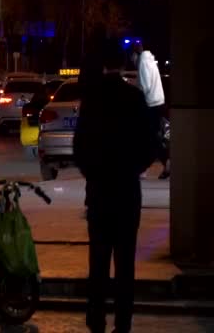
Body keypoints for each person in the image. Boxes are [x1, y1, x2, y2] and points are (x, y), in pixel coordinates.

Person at [74, 41, 156, 333]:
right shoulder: (135, 99)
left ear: (102, 65)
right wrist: (133, 168)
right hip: (127, 193)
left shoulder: (91, 100)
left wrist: (94, 173)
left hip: (99, 192)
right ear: (124, 66)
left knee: (98, 261)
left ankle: (95, 319)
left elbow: (79, 148)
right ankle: (123, 322)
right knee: (125, 264)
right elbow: (151, 145)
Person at [133, 41, 168, 179]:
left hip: (150, 104)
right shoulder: (151, 61)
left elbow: (145, 86)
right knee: (153, 137)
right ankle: (163, 162)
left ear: (136, 53)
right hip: (158, 102)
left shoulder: (142, 62)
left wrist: (136, 93)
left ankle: (145, 167)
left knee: (149, 137)